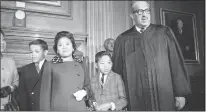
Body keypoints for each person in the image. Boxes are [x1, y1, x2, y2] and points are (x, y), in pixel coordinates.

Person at [112, 1, 191, 111]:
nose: (144, 15)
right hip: (136, 97)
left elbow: (176, 63)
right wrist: (119, 99)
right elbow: (117, 71)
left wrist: (180, 93)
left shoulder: (164, 32)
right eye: (139, 12)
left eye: (147, 11)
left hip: (164, 95)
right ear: (132, 16)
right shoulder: (123, 39)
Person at [39, 31, 90, 111]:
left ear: (73, 47)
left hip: (79, 108)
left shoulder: (81, 63)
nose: (64, 47)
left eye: (67, 44)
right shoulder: (49, 65)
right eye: (60, 45)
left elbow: (88, 86)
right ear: (57, 50)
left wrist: (85, 92)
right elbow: (44, 95)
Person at [18, 39, 48, 110]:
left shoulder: (52, 68)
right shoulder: (25, 69)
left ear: (45, 52)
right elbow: (22, 93)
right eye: (31, 52)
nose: (33, 54)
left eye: (37, 51)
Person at [0, 29, 19, 110]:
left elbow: (16, 81)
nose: (2, 43)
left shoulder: (10, 61)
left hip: (8, 107)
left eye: (3, 39)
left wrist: (10, 88)